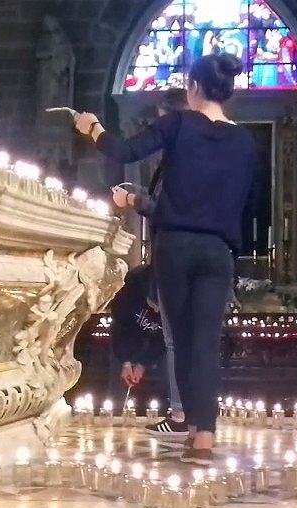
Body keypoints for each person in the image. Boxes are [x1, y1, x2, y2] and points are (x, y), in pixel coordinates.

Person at [77, 53, 258, 465]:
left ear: (193, 88)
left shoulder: (178, 123)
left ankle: (190, 424)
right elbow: (251, 203)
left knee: (181, 339)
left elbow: (124, 152)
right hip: (218, 251)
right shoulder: (245, 142)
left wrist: (94, 129)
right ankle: (204, 436)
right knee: (205, 344)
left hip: (175, 246)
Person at [111, 88, 190, 436]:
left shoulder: (183, 160)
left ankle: (181, 415)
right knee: (185, 341)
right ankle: (193, 419)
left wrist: (131, 199)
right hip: (189, 255)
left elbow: (165, 209)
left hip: (177, 257)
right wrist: (134, 360)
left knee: (178, 341)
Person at [108, 265, 171, 412]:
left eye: (161, 307)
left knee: (169, 371)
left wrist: (143, 364)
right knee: (120, 380)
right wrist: (126, 362)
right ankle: (116, 412)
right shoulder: (130, 292)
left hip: (158, 342)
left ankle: (172, 410)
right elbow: (120, 328)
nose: (157, 310)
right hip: (127, 333)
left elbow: (164, 339)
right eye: (153, 304)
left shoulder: (174, 302)